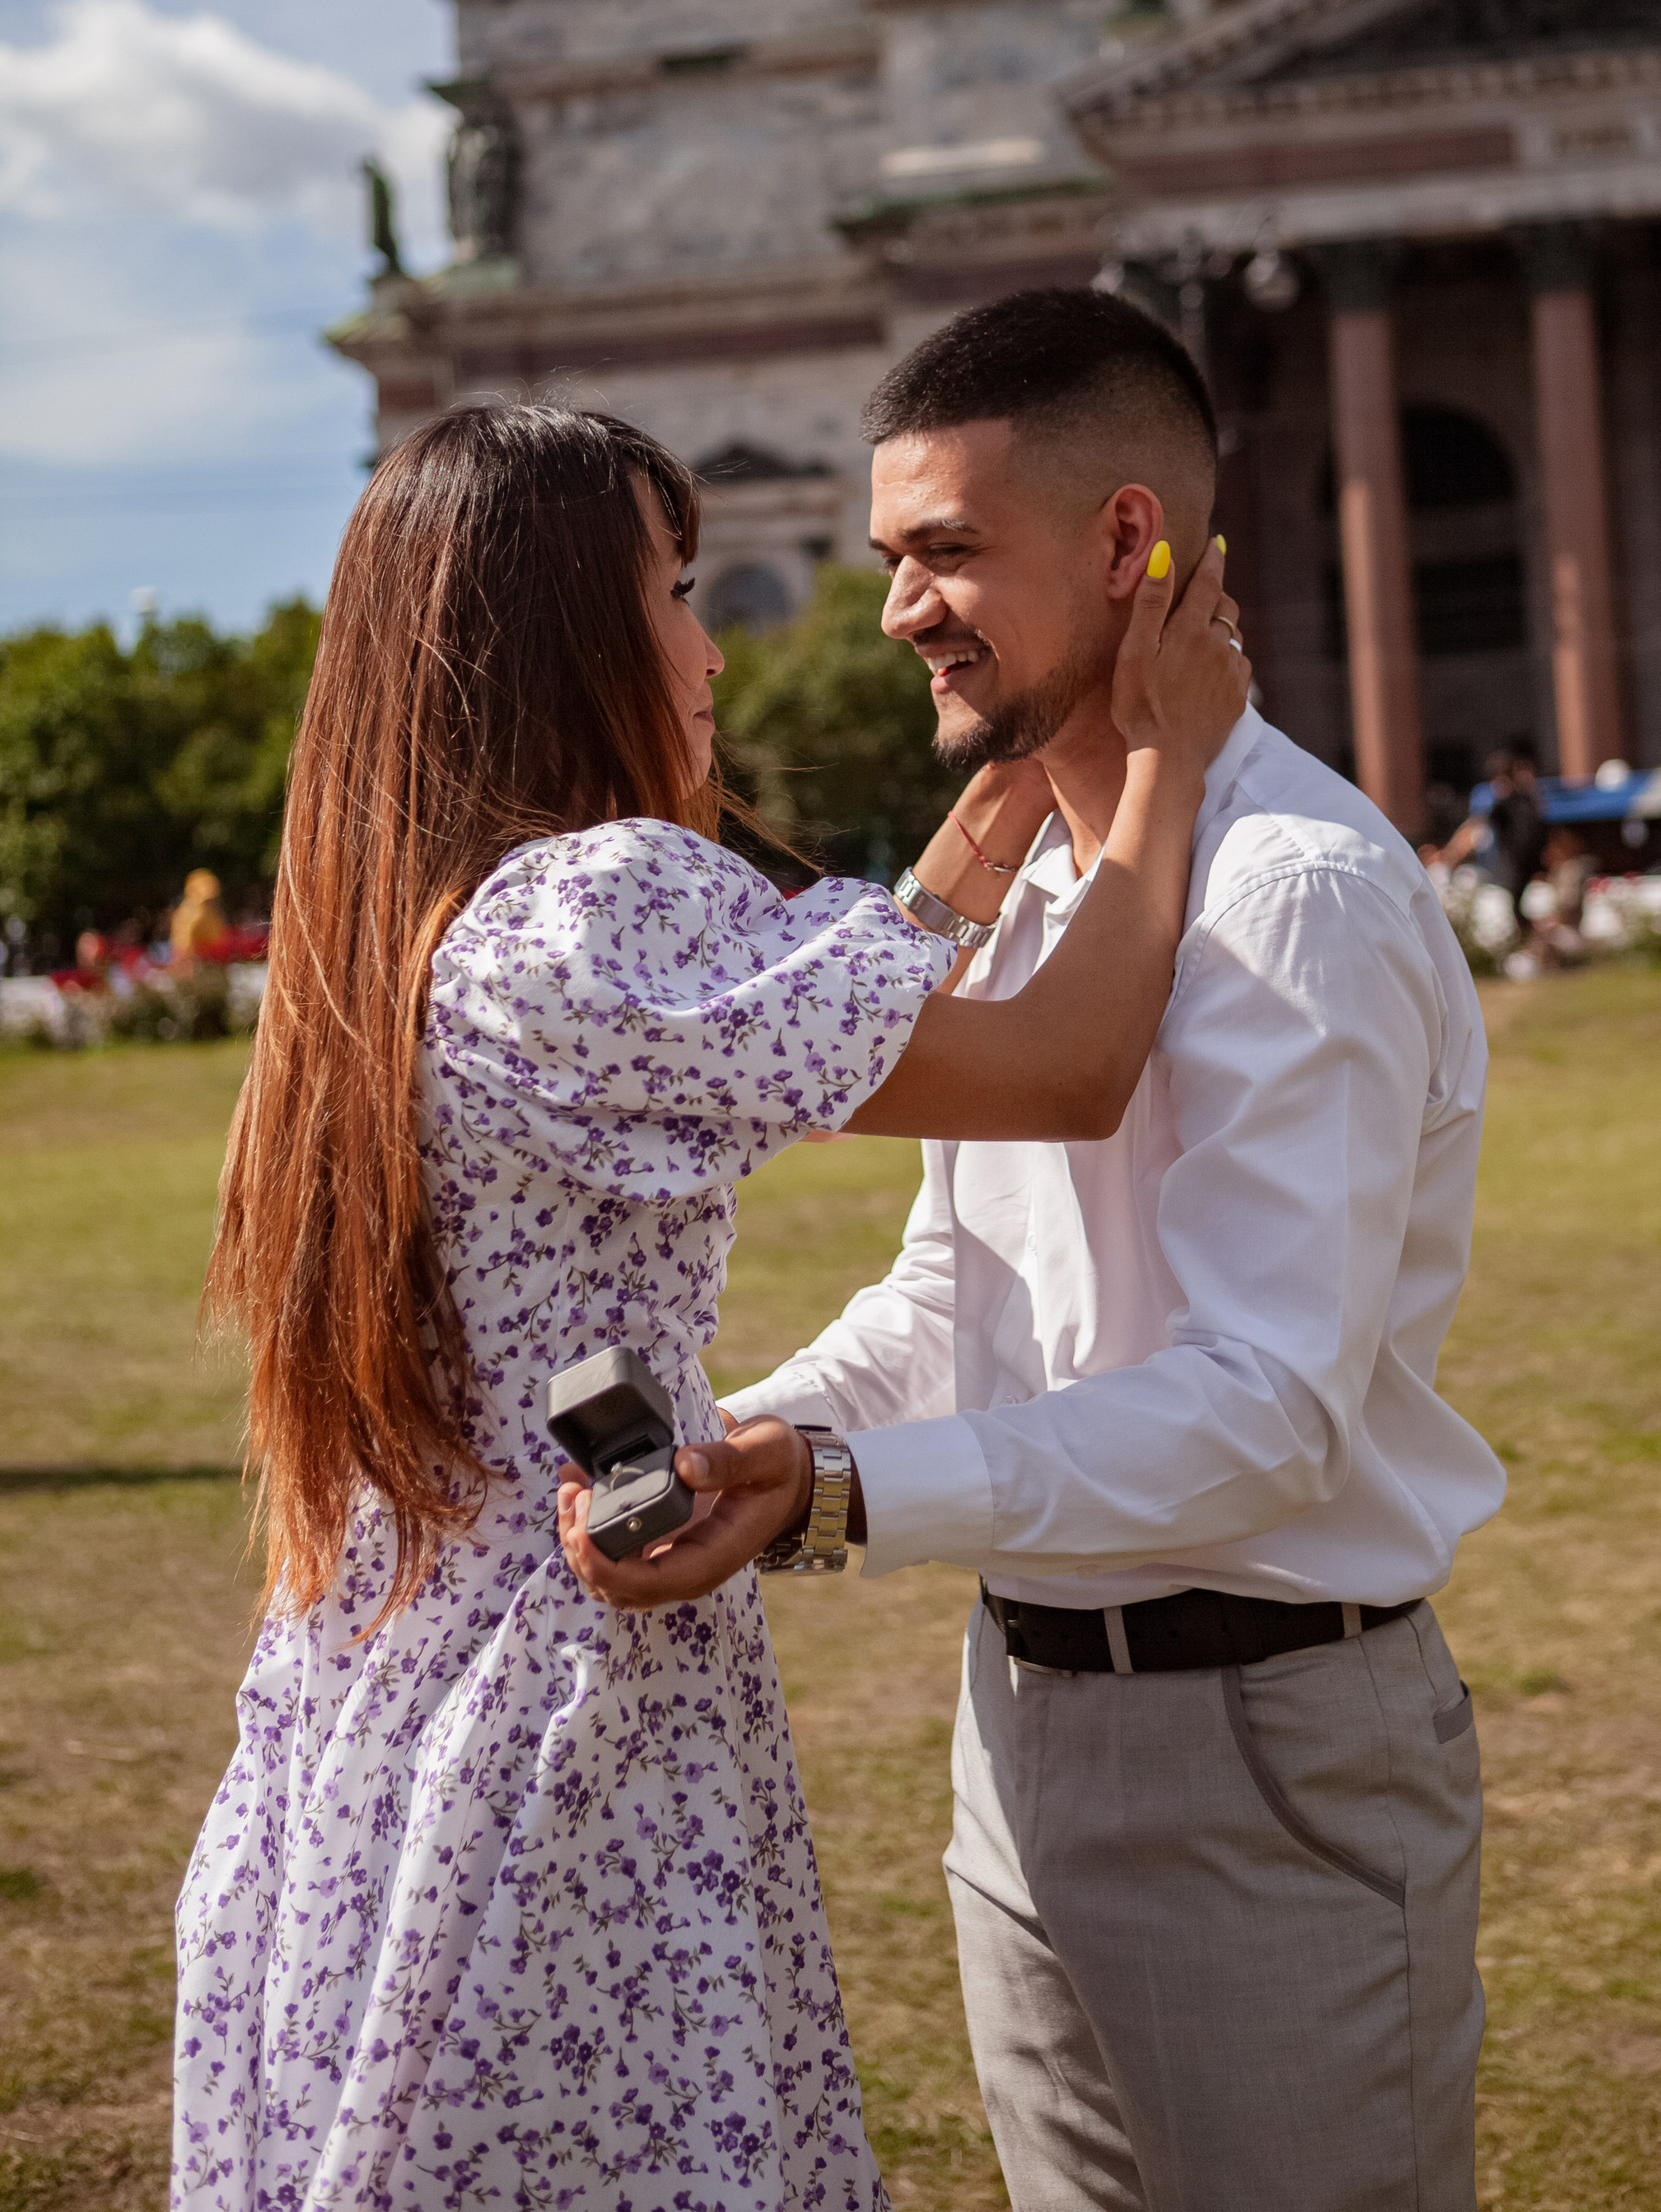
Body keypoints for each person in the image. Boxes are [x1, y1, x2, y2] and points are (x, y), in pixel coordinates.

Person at [175, 398, 1246, 2212]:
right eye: (670, 587)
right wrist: (1163, 760)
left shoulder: (426, 922)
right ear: (558, 633)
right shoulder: (600, 900)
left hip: (377, 1712)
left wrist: (996, 801)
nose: (709, 638)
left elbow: (816, 997)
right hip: (566, 1705)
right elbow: (1066, 1066)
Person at [566, 290, 1502, 2212]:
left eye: (945, 553)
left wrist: (835, 1496)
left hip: (1264, 1754)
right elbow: (954, 1295)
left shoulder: (1291, 893)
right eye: (892, 550)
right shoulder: (1046, 890)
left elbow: (1265, 1414)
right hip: (1022, 1724)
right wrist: (753, 1434)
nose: (898, 602)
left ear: (1127, 546)